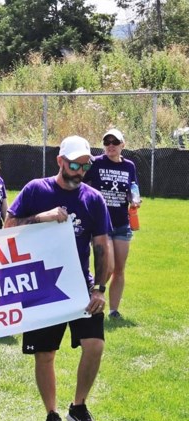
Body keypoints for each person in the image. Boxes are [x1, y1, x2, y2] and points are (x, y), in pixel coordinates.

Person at [6, 135, 112, 421]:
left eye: (85, 165)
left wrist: (99, 289)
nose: (80, 171)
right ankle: (51, 415)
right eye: (75, 164)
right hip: (42, 288)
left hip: (81, 286)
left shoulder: (93, 199)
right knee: (46, 354)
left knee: (95, 346)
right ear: (60, 162)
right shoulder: (35, 190)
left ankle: (78, 407)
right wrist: (43, 218)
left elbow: (101, 247)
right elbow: (7, 230)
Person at [84, 128, 140, 319]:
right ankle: (93, 295)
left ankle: (114, 311)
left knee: (119, 269)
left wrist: (134, 199)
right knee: (108, 266)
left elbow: (132, 188)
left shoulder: (129, 166)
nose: (110, 146)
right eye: (106, 143)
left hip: (122, 222)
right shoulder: (96, 163)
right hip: (101, 223)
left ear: (122, 145)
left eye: (114, 143)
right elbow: (83, 185)